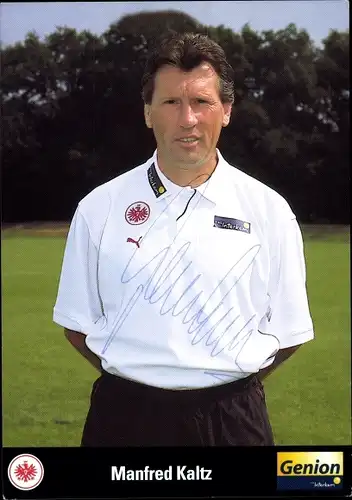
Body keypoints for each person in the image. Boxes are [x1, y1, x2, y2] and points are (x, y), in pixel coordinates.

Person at [53, 32, 314, 447]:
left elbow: (290, 333)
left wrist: (220, 384)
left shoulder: (269, 210)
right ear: (147, 112)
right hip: (124, 419)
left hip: (233, 419)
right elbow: (76, 326)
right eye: (171, 102)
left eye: (202, 102)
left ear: (226, 110)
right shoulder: (99, 207)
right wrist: (144, 381)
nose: (187, 119)